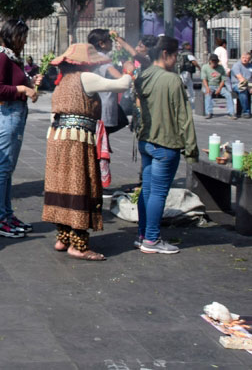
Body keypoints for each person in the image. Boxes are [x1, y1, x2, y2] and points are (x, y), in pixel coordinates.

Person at [42, 44, 132, 260]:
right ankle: (79, 246)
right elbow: (120, 85)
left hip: (58, 139)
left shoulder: (63, 80)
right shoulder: (85, 77)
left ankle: (63, 238)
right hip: (76, 141)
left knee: (62, 186)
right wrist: (129, 71)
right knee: (79, 185)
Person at [135, 36, 198, 254]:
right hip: (166, 142)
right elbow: (184, 117)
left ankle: (142, 235)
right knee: (158, 193)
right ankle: (152, 239)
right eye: (175, 56)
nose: (176, 60)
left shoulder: (143, 76)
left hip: (146, 140)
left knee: (147, 190)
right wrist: (191, 149)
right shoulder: (172, 80)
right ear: (165, 54)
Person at [0, 19, 41, 238]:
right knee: (2, 169)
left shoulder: (11, 57)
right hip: (7, 115)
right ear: (13, 36)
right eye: (23, 37)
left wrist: (30, 82)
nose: (25, 41)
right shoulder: (1, 56)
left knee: (7, 169)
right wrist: (22, 89)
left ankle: (6, 214)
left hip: (14, 114)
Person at [201, 53, 234, 119]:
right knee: (208, 94)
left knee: (228, 94)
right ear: (210, 61)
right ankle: (209, 112)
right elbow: (204, 79)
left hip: (219, 86)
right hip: (209, 85)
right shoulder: (205, 67)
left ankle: (231, 112)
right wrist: (207, 88)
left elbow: (223, 79)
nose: (214, 63)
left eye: (215, 61)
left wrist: (219, 88)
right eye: (213, 61)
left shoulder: (220, 68)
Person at [231, 52, 252, 118]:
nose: (245, 59)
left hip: (249, 84)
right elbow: (241, 79)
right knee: (242, 89)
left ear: (250, 59)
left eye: (247, 58)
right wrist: (249, 87)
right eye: (243, 58)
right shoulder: (236, 66)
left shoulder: (250, 66)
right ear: (241, 58)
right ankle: (246, 112)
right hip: (237, 83)